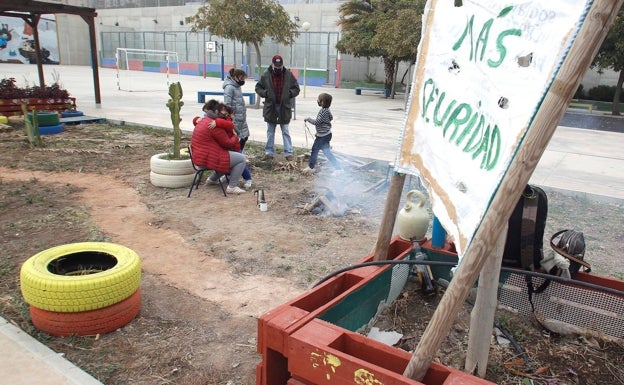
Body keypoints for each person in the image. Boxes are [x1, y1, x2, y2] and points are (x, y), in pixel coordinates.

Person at [190, 99, 247, 195]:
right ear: (216, 111)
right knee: (240, 159)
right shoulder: (213, 125)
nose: (224, 114)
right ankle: (232, 187)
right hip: (207, 159)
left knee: (226, 158)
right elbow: (227, 143)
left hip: (198, 157)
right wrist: (235, 136)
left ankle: (212, 179)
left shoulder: (203, 120)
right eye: (221, 111)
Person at [255, 54, 300, 161]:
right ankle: (269, 152)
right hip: (271, 107)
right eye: (276, 66)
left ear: (282, 64)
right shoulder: (266, 75)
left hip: (284, 107)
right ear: (272, 64)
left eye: (280, 66)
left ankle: (288, 153)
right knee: (270, 131)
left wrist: (289, 93)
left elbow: (296, 89)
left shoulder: (289, 75)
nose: (278, 68)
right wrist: (265, 93)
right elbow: (258, 87)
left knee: (285, 131)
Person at [223, 68, 253, 189]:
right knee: (237, 153)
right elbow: (227, 107)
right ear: (236, 77)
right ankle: (246, 176)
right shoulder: (230, 87)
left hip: (241, 122)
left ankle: (231, 173)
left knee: (243, 141)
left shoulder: (236, 86)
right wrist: (231, 125)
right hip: (235, 124)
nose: (243, 81)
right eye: (242, 78)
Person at [302, 93, 341, 174]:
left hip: (323, 136)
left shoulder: (323, 112)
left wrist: (308, 119)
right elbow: (329, 119)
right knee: (327, 152)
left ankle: (311, 167)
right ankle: (339, 168)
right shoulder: (327, 111)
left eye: (319, 99)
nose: (318, 101)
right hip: (326, 135)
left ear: (322, 102)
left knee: (314, 150)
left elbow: (317, 122)